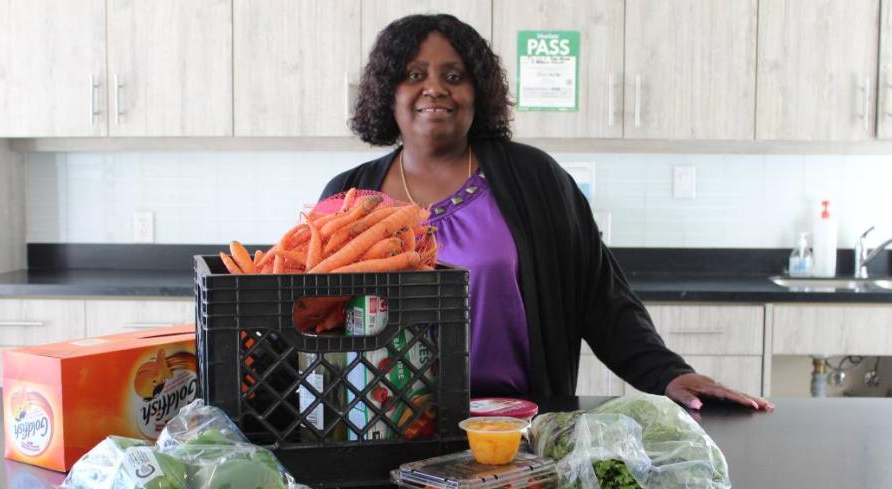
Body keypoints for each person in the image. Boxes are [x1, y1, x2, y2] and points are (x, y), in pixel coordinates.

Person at [321, 14, 773, 412]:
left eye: (454, 76)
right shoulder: (347, 197)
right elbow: (312, 321)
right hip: (380, 427)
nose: (435, 88)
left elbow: (600, 295)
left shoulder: (534, 179)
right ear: (387, 91)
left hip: (516, 428)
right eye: (414, 74)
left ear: (478, 92)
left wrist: (667, 373)